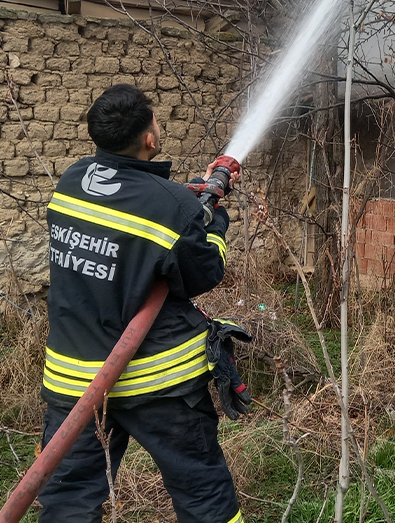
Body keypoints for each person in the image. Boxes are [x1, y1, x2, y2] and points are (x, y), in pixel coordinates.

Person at [38, 84, 243, 523]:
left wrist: (182, 202)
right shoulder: (169, 205)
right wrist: (212, 218)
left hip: (73, 383)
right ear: (150, 138)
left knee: (68, 500)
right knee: (202, 489)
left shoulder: (73, 179)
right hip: (160, 384)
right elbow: (203, 273)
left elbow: (128, 215)